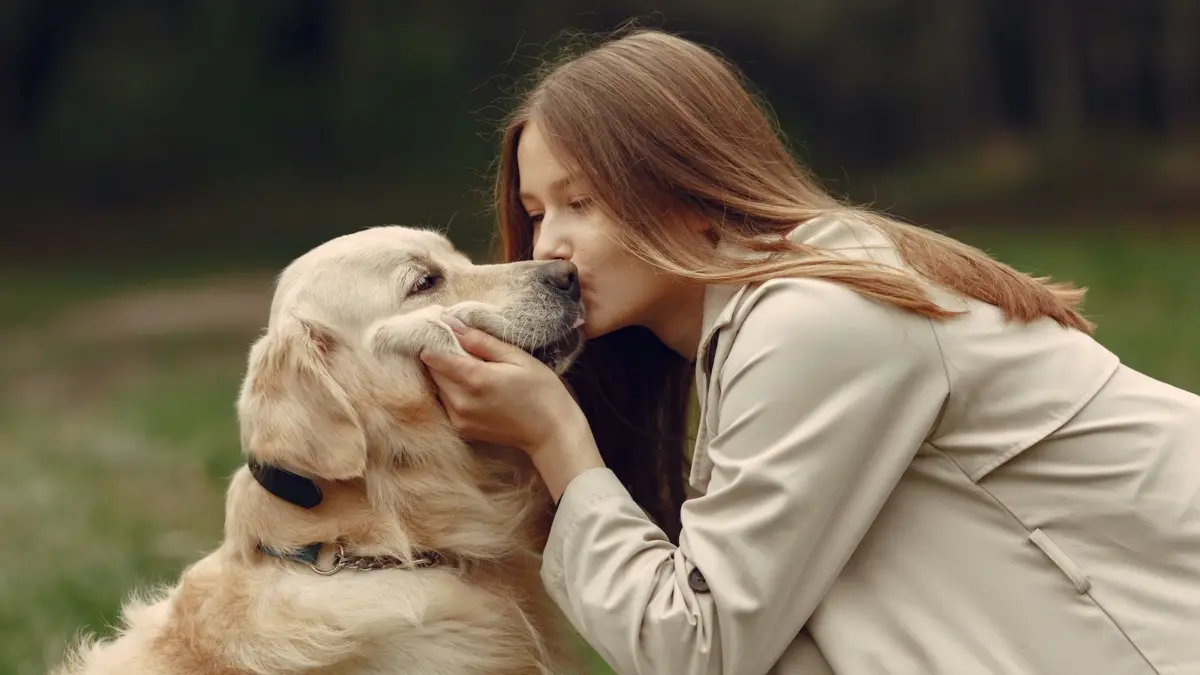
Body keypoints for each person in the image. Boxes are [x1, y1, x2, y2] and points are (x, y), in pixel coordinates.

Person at [419, 26, 1200, 675]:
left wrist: (556, 436)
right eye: (534, 212)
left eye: (581, 202)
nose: (547, 247)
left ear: (690, 184)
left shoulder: (818, 319)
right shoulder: (764, 322)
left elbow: (700, 646)